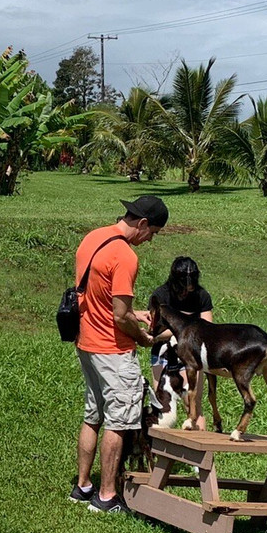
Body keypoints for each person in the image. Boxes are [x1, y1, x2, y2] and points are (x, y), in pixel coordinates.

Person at [70, 195, 168, 512]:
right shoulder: (125, 256)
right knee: (119, 421)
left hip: (87, 343)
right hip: (113, 350)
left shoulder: (93, 238)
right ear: (141, 223)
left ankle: (83, 485)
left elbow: (101, 298)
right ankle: (107, 496)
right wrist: (143, 337)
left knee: (92, 415)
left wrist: (133, 313)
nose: (150, 239)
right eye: (152, 232)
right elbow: (119, 316)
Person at [149, 256, 213, 430]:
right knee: (163, 403)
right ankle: (162, 454)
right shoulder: (161, 295)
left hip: (192, 354)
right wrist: (189, 326)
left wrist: (179, 328)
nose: (186, 291)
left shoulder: (202, 296)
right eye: (182, 287)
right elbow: (155, 329)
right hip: (163, 352)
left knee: (193, 404)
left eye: (190, 287)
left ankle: (201, 454)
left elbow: (208, 328)